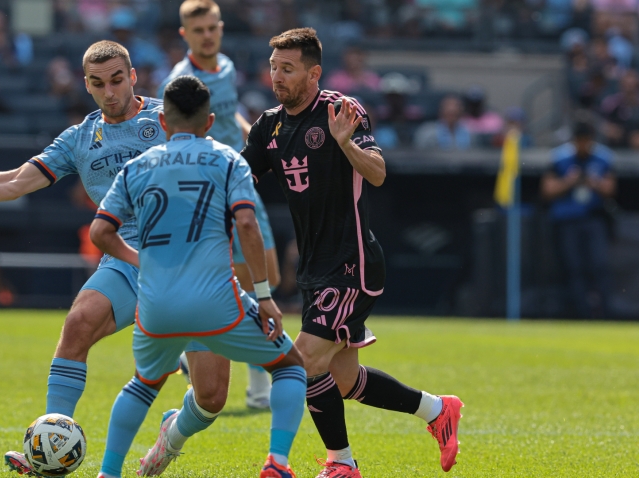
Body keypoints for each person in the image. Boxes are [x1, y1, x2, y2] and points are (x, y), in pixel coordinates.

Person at [0, 40, 232, 477]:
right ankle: (50, 446)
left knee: (212, 396)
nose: (109, 91)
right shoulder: (80, 138)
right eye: (97, 83)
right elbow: (15, 180)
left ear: (133, 76)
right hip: (127, 257)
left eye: (116, 80)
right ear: (86, 85)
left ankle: (173, 433)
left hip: (187, 262)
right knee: (78, 322)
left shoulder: (167, 118)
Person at [240, 28, 463, 477]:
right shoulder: (270, 125)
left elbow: (378, 173)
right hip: (313, 268)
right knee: (342, 381)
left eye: (287, 69)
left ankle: (335, 464)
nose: (277, 77)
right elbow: (239, 177)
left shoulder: (341, 111)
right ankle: (437, 410)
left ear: (313, 72)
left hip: (351, 261)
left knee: (300, 363)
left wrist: (343, 141)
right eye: (273, 68)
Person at [90, 74, 305, 478]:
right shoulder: (227, 159)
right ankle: (277, 462)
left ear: (164, 123)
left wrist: (137, 260)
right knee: (290, 366)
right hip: (216, 301)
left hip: (155, 304)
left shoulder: (137, 167)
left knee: (142, 384)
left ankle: (109, 472)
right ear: (209, 122)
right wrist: (263, 295)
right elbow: (246, 223)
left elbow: (100, 231)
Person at [156, 0, 281, 410]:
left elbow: (231, 117)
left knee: (269, 276)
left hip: (241, 179)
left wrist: (256, 139)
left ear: (221, 28)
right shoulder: (180, 82)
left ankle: (199, 356)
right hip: (211, 191)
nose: (207, 35)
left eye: (212, 28)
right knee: (241, 284)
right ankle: (256, 386)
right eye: (199, 30)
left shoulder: (225, 67)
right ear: (184, 35)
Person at [541, 121, 615, 318]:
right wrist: (569, 182)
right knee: (574, 268)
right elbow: (547, 190)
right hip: (568, 221)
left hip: (593, 218)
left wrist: (594, 183)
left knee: (599, 266)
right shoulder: (560, 158)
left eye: (586, 141)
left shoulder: (602, 157)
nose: (583, 145)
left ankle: (603, 313)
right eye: (579, 141)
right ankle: (580, 313)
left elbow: (610, 189)